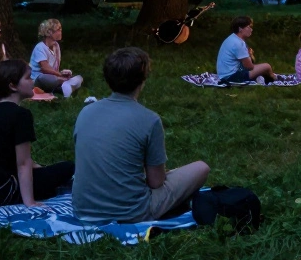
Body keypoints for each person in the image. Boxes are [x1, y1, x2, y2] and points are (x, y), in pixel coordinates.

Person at [72, 47, 210, 224]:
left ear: (107, 80)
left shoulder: (86, 112)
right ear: (142, 80)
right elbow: (156, 182)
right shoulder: (149, 120)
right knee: (201, 168)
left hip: (82, 208)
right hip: (131, 213)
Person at [0, 60, 75, 207]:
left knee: (44, 170)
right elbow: (23, 164)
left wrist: (40, 168)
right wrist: (29, 202)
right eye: (28, 77)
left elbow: (8, 155)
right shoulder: (20, 115)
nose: (32, 81)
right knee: (67, 167)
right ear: (12, 86)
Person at [216, 16, 276, 84]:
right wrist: (250, 55)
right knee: (266, 66)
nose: (251, 29)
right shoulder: (239, 43)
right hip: (231, 76)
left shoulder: (232, 38)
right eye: (249, 27)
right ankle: (274, 80)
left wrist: (249, 56)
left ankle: (268, 78)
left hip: (224, 75)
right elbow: (249, 67)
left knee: (261, 70)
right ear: (240, 29)